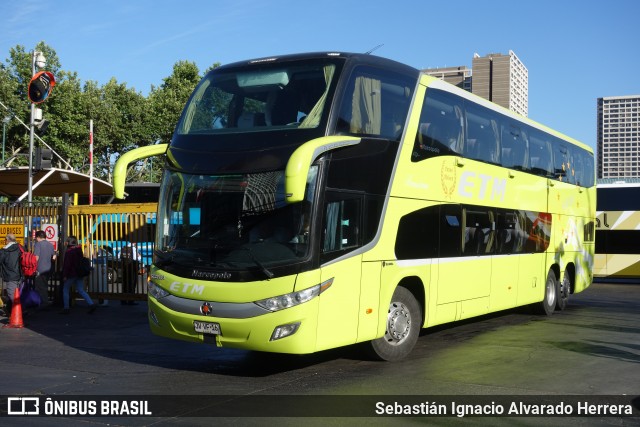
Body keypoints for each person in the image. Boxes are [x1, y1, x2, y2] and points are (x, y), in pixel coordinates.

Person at [61, 236, 97, 314]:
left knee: (65, 289)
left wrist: (65, 275)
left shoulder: (69, 252)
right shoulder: (79, 250)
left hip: (71, 273)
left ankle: (66, 308)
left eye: (67, 241)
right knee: (81, 290)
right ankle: (91, 304)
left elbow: (67, 265)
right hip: (79, 273)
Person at [33, 230, 56, 308]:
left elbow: (36, 257)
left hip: (40, 269)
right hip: (49, 269)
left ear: (38, 237)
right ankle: (43, 302)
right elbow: (54, 257)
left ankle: (44, 303)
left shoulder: (38, 244)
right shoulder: (50, 245)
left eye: (36, 238)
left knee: (40, 287)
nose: (36, 239)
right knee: (44, 286)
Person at [0, 233, 22, 316]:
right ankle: (11, 310)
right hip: (20, 275)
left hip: (10, 275)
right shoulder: (20, 247)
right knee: (17, 293)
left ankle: (18, 312)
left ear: (7, 240)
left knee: (12, 295)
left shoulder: (4, 250)